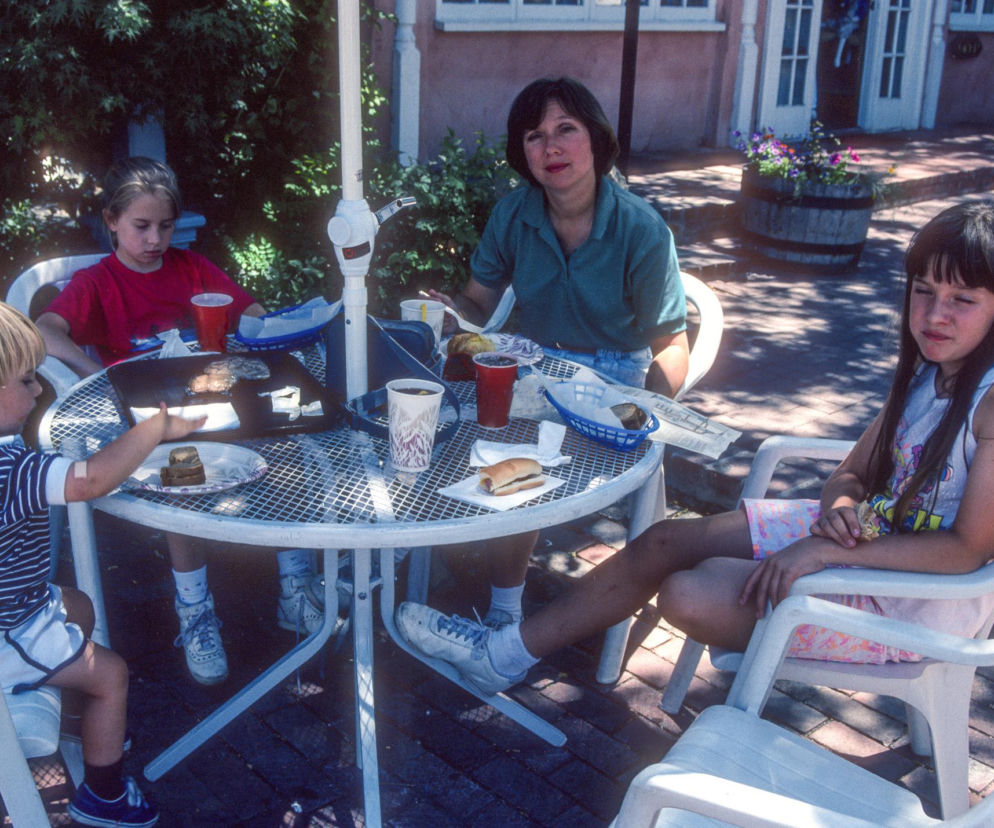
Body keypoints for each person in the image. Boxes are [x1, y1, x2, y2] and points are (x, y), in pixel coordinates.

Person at [396, 199, 994, 696]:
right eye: (923, 291)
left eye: (962, 299)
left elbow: (968, 550)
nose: (935, 314)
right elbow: (851, 473)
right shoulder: (929, 374)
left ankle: (502, 652)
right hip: (862, 539)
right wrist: (839, 510)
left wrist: (817, 553)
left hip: (909, 605)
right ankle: (503, 655)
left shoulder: (988, 402)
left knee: (688, 591)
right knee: (664, 542)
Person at [35, 157, 327, 686]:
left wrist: (258, 330)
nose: (155, 240)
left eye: (165, 226)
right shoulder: (98, 281)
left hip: (216, 396)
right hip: (153, 416)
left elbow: (251, 310)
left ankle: (295, 584)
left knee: (286, 438)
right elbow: (44, 328)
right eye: (141, 226)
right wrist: (93, 369)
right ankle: (194, 608)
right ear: (112, 221)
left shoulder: (190, 268)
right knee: (183, 471)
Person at [427, 77, 691, 630]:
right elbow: (478, 302)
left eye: (565, 129)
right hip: (534, 364)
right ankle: (467, 583)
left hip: (613, 374)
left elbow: (671, 345)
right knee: (437, 418)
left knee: (523, 454)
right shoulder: (514, 214)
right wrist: (450, 312)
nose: (550, 147)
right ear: (522, 153)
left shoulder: (641, 228)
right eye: (534, 136)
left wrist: (646, 409)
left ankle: (503, 618)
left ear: (595, 138)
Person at [0, 302, 207, 825]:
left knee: (79, 605)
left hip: (20, 604)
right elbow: (90, 479)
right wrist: (155, 428)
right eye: (25, 380)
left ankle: (79, 718)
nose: (38, 391)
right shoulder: (9, 469)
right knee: (112, 673)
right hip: (7, 632)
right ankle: (104, 796)